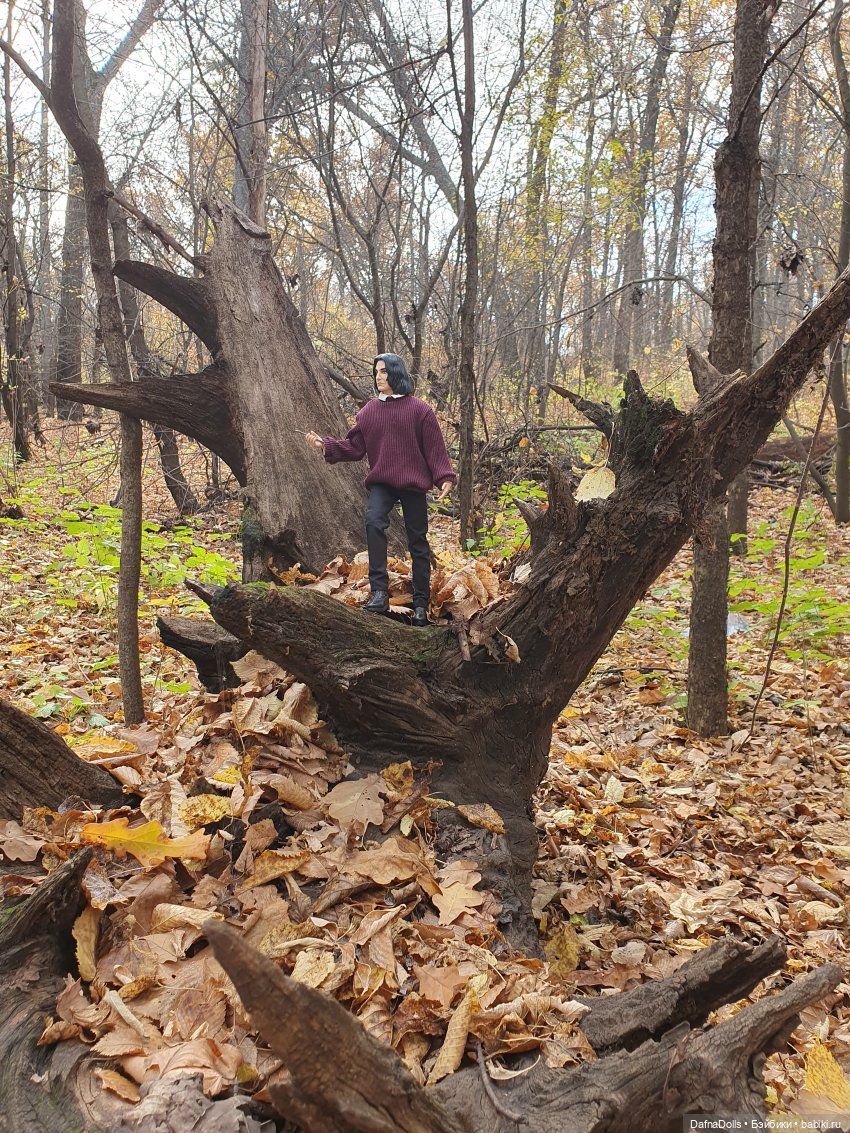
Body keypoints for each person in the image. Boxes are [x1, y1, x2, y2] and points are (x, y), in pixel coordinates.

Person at [306, 353, 455, 627]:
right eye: (376, 371)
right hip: (383, 481)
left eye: (384, 371)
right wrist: (325, 445)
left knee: (417, 542)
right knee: (373, 522)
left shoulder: (420, 410)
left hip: (413, 483)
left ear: (397, 374)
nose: (379, 376)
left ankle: (421, 604)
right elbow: (355, 447)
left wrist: (444, 476)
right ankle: (379, 593)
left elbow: (434, 448)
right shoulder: (369, 412)